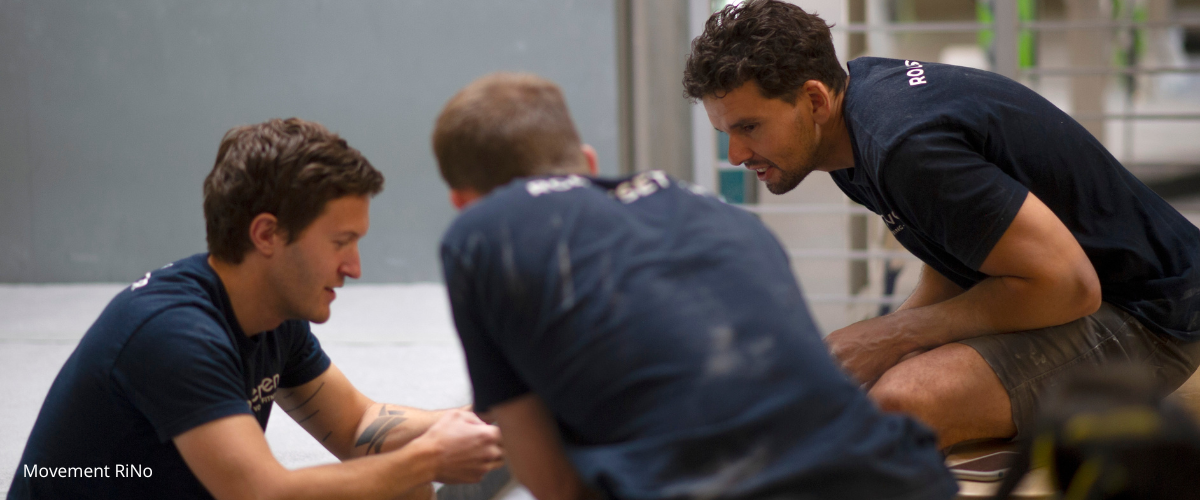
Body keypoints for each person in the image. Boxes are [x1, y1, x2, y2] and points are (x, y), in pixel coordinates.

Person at [683, 0, 1200, 449]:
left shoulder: (902, 146)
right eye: (726, 132)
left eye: (749, 127)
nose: (735, 155)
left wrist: (891, 335)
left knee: (901, 403)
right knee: (866, 378)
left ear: (814, 100)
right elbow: (961, 250)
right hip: (1105, 291)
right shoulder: (853, 118)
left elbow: (1069, 286)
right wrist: (887, 340)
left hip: (1157, 316)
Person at [432, 72, 956, 500]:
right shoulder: (714, 212)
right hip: (897, 478)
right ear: (589, 164)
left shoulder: (479, 235)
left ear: (461, 202)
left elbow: (552, 483)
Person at [9, 118, 502, 500]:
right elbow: (260, 492)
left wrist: (503, 416)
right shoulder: (174, 334)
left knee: (395, 485)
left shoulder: (271, 315)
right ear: (266, 234)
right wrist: (430, 459)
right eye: (340, 242)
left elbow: (357, 426)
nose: (354, 267)